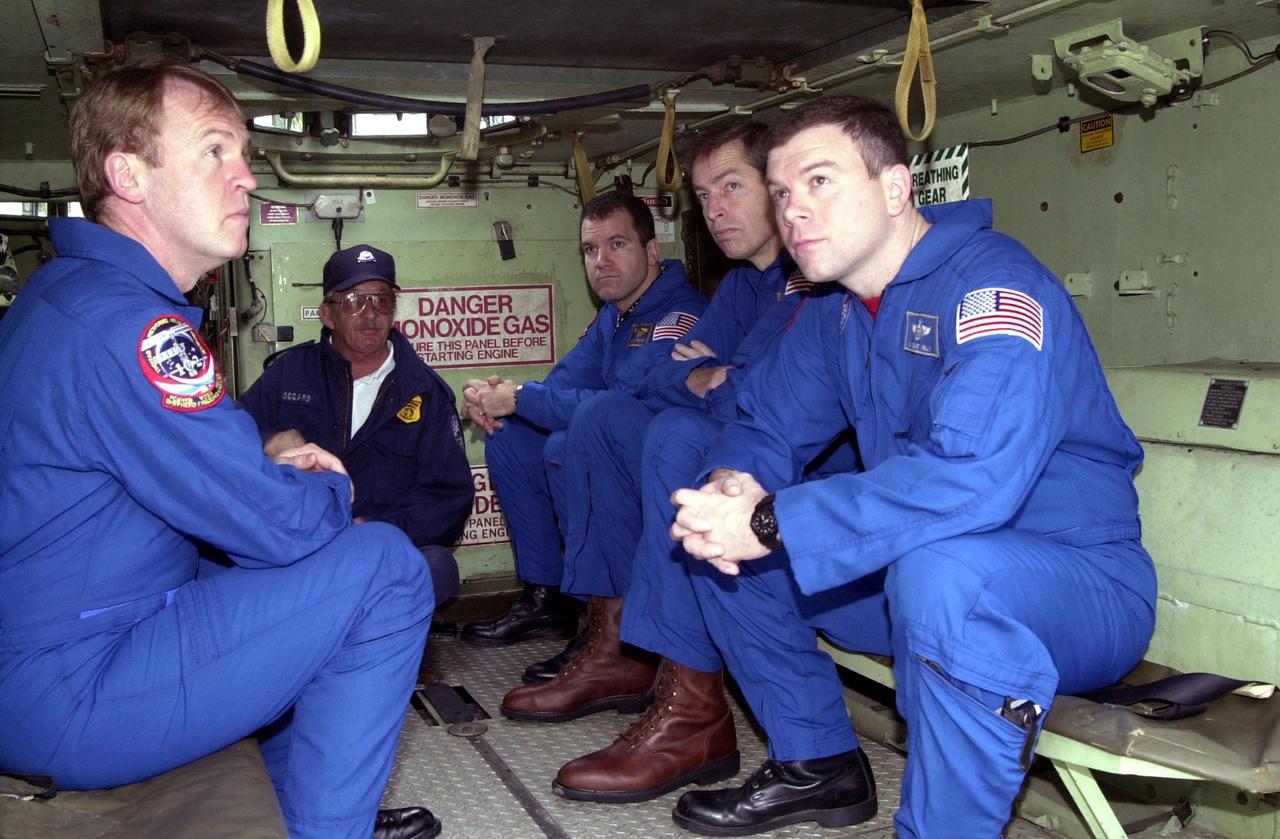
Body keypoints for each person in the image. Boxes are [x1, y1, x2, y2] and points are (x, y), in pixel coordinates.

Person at [648, 95, 1158, 837]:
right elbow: (766, 421)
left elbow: (970, 474)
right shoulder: (838, 309)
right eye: (784, 193)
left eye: (820, 182)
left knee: (933, 573)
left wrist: (771, 518)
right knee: (721, 553)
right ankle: (817, 760)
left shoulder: (995, 291)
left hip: (1074, 582)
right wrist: (734, 492)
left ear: (895, 190)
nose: (794, 211)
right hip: (915, 568)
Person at [0, 61, 439, 839]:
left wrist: (266, 468)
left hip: (62, 645)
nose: (247, 179)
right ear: (127, 174)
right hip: (66, 687)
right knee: (387, 570)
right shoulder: (132, 330)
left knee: (283, 567)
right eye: (214, 151)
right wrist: (332, 491)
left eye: (243, 152)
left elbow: (182, 474)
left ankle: (290, 801)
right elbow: (284, 525)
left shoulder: (65, 295)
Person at [498, 121, 849, 808]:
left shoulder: (816, 284)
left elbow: (767, 403)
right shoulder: (745, 288)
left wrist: (721, 377)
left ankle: (692, 708)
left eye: (733, 187)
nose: (714, 209)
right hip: (744, 460)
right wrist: (707, 378)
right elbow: (661, 379)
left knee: (676, 440)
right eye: (703, 194)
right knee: (610, 420)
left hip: (807, 490)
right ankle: (614, 642)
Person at [458, 191, 708, 649]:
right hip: (621, 455)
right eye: (590, 250)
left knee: (567, 440)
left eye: (617, 245)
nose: (601, 262)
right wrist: (496, 398)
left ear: (652, 251)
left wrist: (518, 397)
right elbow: (560, 388)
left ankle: (610, 613)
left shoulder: (678, 317)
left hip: (675, 470)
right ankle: (546, 597)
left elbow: (616, 405)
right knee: (512, 436)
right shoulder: (615, 317)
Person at [240, 243, 474, 606]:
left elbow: (447, 501)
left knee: (436, 568)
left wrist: (372, 531)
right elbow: (226, 436)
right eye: (353, 300)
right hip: (296, 545)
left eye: (381, 300)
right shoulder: (289, 374)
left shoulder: (425, 394)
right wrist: (269, 440)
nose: (370, 314)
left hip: (375, 550)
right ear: (327, 314)